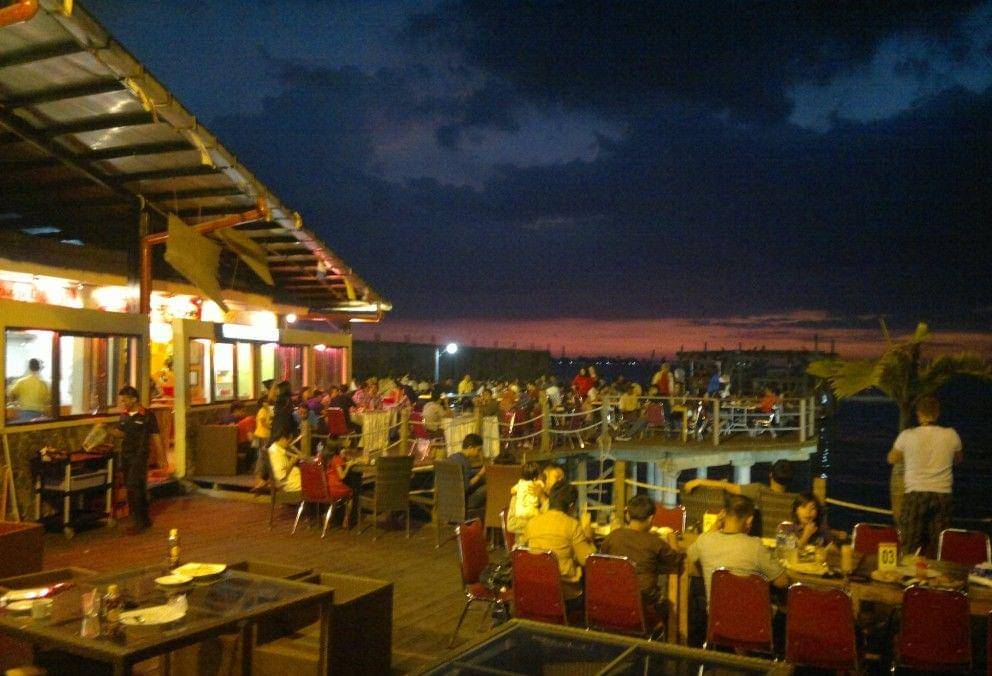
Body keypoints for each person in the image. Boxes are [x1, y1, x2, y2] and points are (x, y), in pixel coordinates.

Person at [887, 396, 962, 558]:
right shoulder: (951, 435)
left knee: (910, 545)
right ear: (937, 413)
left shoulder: (907, 435)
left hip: (915, 494)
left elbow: (891, 458)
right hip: (942, 494)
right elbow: (958, 459)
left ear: (918, 413)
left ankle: (909, 571)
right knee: (939, 547)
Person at [686, 494, 789, 605]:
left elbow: (688, 564)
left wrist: (715, 525)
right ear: (749, 520)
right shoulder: (755, 546)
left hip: (716, 614)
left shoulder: (704, 540)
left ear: (723, 514)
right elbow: (782, 582)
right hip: (750, 614)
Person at [600, 494, 683, 610]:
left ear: (628, 515)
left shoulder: (614, 536)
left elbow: (602, 556)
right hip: (643, 602)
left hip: (613, 598)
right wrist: (672, 539)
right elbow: (676, 560)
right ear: (650, 519)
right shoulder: (654, 542)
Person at [519, 481, 596, 600]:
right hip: (564, 591)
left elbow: (522, 550)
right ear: (571, 505)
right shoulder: (572, 525)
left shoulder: (532, 523)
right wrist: (588, 536)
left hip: (536, 586)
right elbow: (587, 561)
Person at [683, 459, 797, 537]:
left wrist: (699, 481)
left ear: (771, 474)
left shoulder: (760, 491)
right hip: (786, 546)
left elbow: (729, 487)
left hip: (765, 544)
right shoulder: (795, 499)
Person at [109, 385, 164, 533]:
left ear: (134, 399)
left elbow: (156, 435)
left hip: (139, 455)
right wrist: (108, 430)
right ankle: (143, 519)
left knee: (135, 486)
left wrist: (162, 457)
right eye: (121, 400)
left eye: (125, 400)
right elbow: (121, 433)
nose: (123, 403)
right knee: (131, 487)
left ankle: (138, 522)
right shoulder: (124, 415)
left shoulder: (147, 415)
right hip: (126, 455)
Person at [447, 433, 487, 510]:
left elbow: (465, 473)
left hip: (448, 499)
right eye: (478, 450)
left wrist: (477, 472)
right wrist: (479, 474)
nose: (479, 453)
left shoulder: (452, 457)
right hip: (463, 503)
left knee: (482, 480)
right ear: (470, 448)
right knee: (487, 488)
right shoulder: (465, 463)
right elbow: (466, 487)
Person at [507, 462, 545, 533]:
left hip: (520, 513)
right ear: (535, 479)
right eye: (541, 476)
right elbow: (511, 525)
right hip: (532, 519)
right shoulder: (539, 488)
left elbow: (512, 490)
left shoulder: (520, 485)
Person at [268, 426, 301, 493]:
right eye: (289, 440)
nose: (289, 443)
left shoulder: (276, 447)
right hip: (285, 483)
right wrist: (292, 462)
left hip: (290, 477)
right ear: (283, 439)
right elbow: (281, 477)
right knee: (310, 483)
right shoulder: (275, 452)